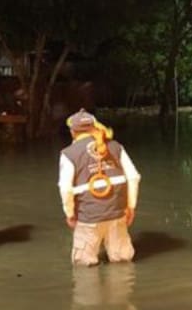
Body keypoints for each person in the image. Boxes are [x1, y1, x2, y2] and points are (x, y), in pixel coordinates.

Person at [57, 109, 141, 266]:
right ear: (95, 127)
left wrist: (70, 214)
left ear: (72, 132)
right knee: (123, 264)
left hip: (88, 217)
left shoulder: (69, 154)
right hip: (117, 214)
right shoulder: (116, 147)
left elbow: (65, 188)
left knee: (84, 268)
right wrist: (130, 207)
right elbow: (134, 177)